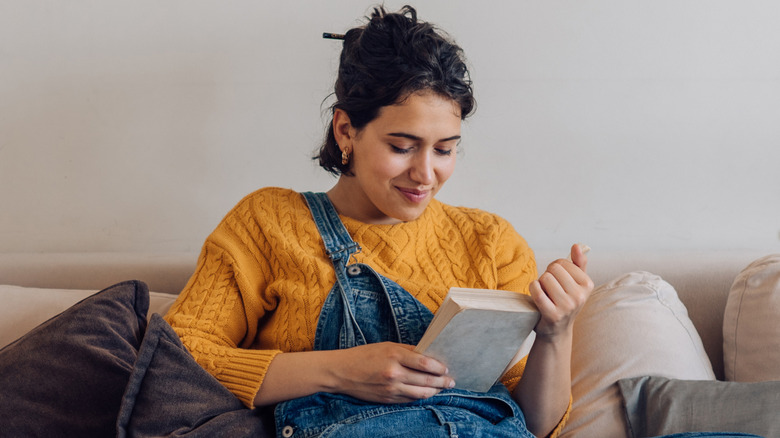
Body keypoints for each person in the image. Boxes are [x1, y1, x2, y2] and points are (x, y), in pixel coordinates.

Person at [165, 6, 592, 438]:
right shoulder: (267, 223)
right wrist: (338, 371)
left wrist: (557, 333)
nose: (426, 174)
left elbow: (535, 424)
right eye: (403, 146)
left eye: (444, 150)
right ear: (346, 130)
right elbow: (178, 359)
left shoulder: (492, 242)